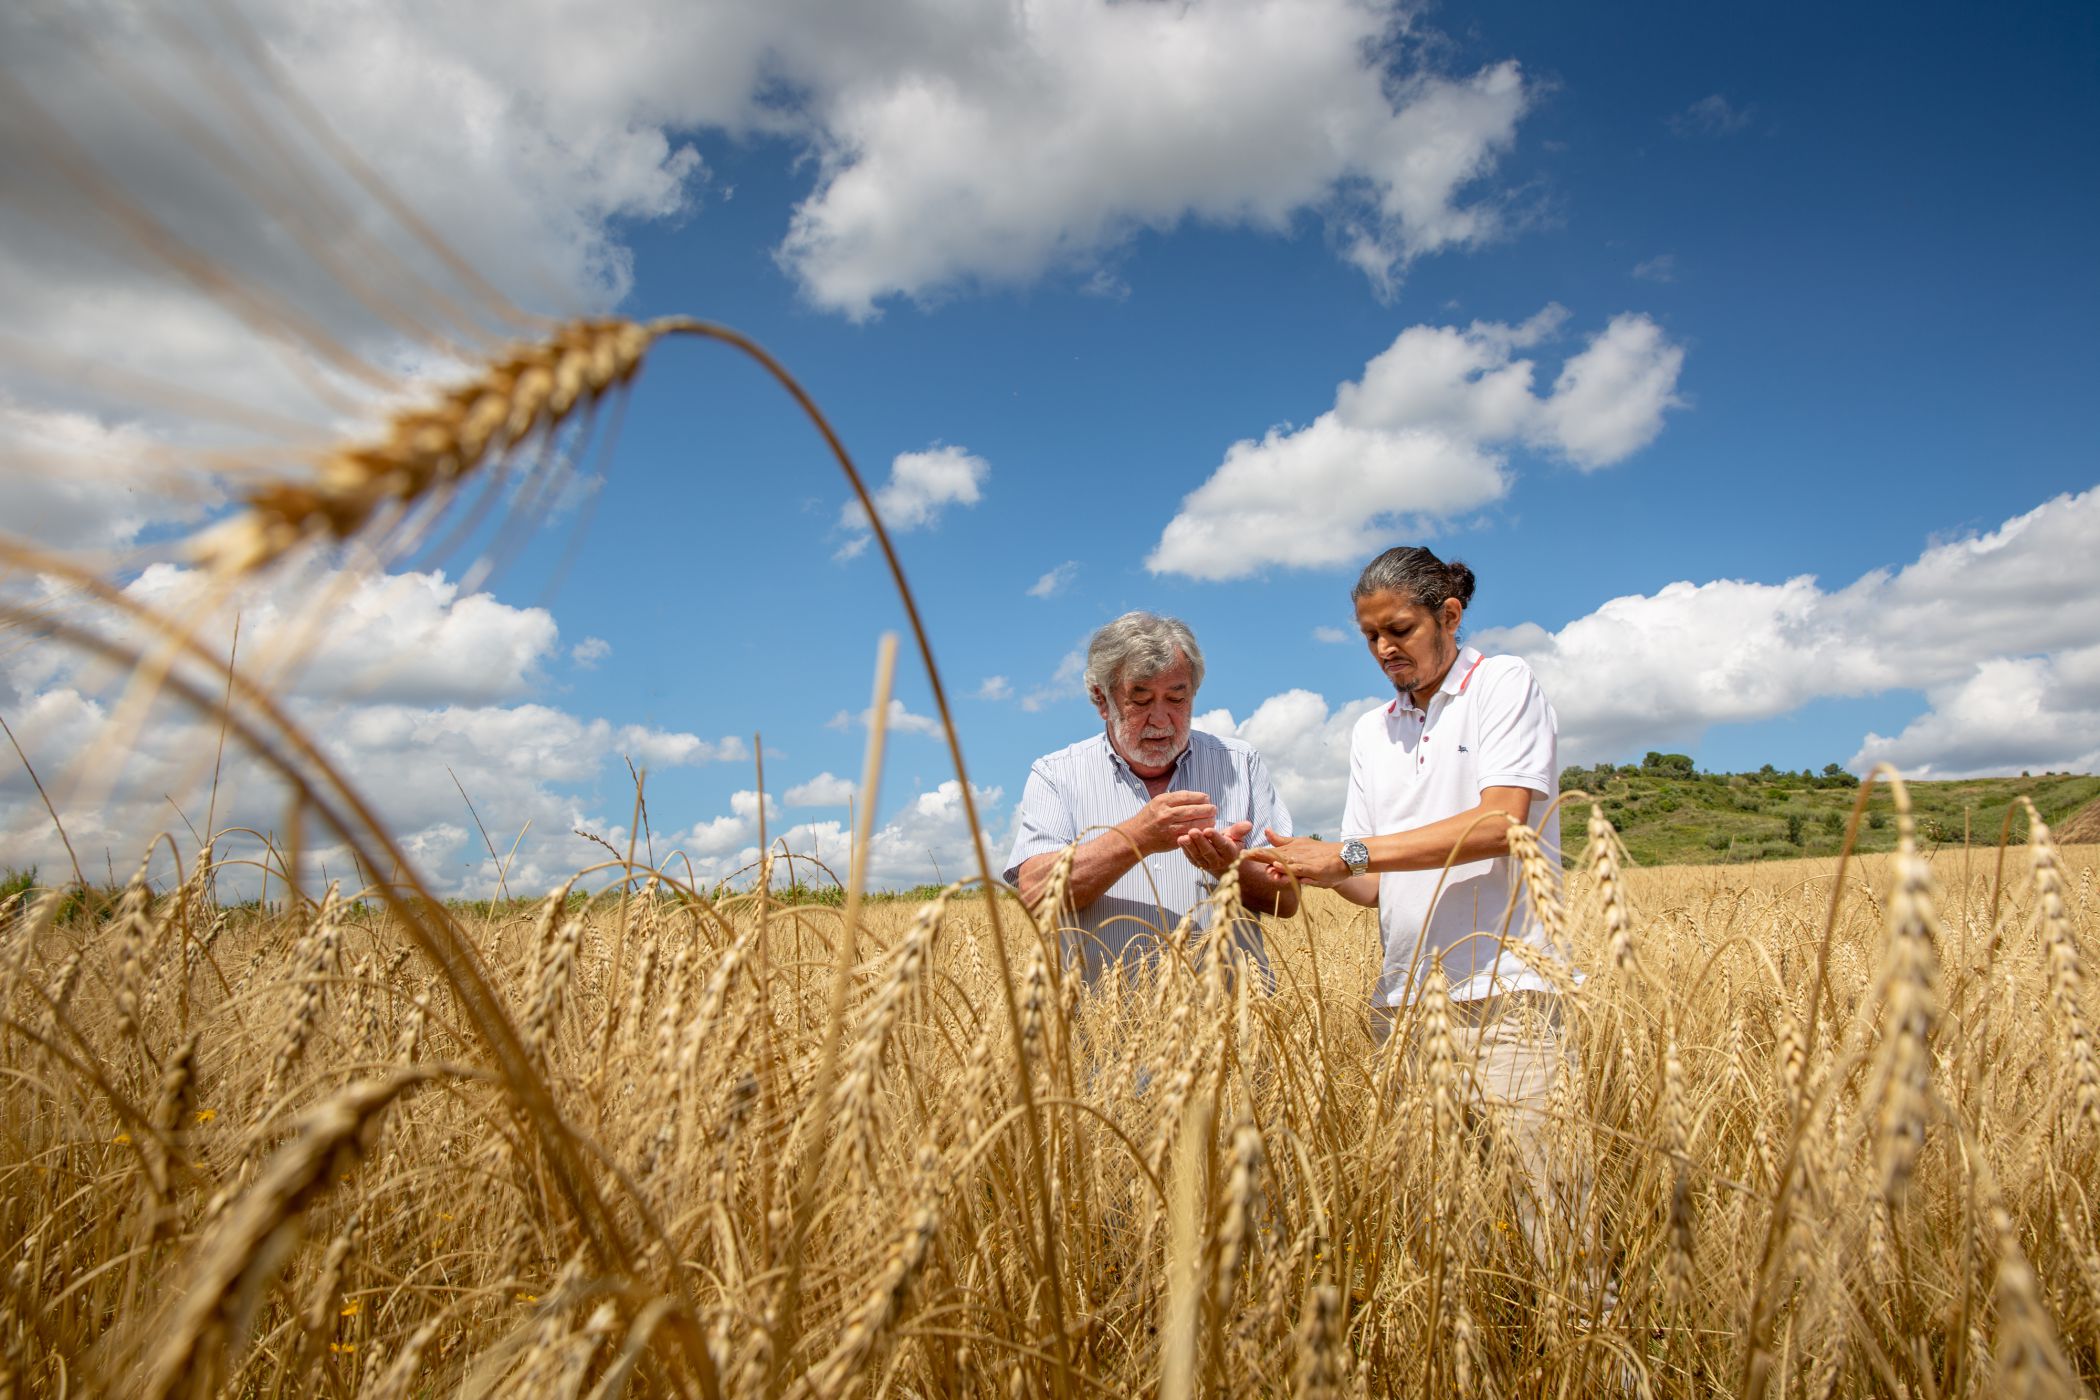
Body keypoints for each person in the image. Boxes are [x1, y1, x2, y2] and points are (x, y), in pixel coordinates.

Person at [1244, 546, 1598, 1301]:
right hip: (1404, 1010)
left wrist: (1342, 851)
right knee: (1447, 1244)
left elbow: (1504, 825)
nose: (1383, 649)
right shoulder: (1371, 731)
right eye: (1369, 636)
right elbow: (1370, 883)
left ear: (1450, 615)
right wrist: (1294, 864)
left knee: (1559, 1234)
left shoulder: (1504, 684)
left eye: (1399, 629)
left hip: (1509, 1000)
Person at [1004, 611, 1299, 983]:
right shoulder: (1057, 774)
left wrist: (1230, 866)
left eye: (1177, 699)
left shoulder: (1240, 764)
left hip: (1228, 1029)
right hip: (1100, 1032)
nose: (1161, 720)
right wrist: (1138, 836)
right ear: (1101, 699)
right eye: (1140, 701)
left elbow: (1286, 901)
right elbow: (1035, 894)